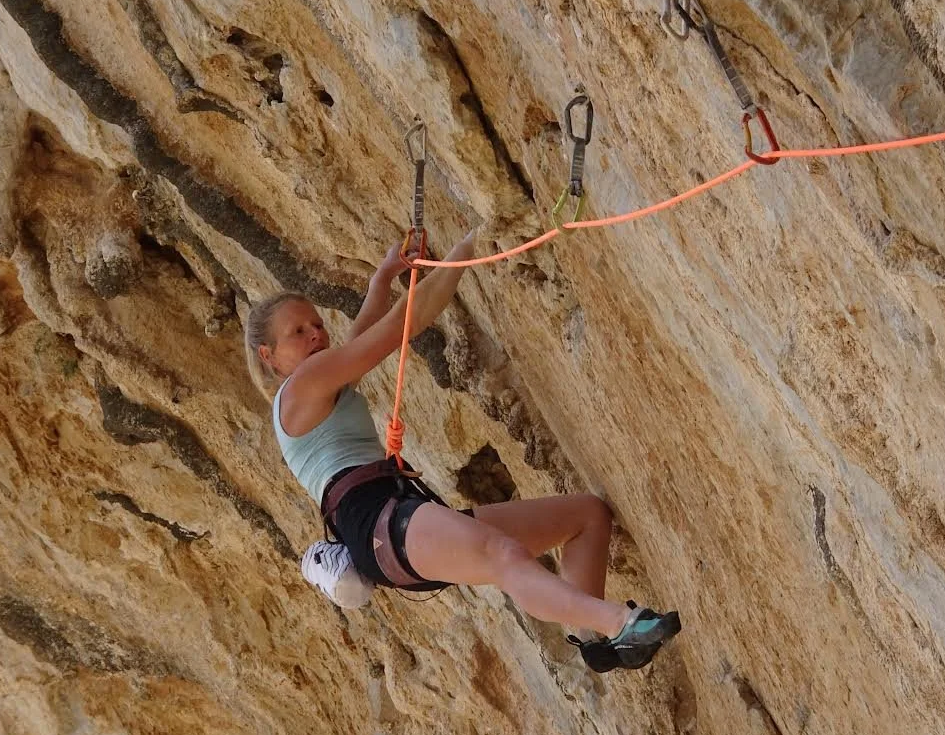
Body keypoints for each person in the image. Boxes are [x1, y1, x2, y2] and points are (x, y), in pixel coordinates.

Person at [243, 228, 681, 671]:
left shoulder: (317, 390)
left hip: (394, 525)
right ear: (269, 355)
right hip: (380, 523)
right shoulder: (302, 386)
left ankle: (591, 641)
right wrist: (470, 243)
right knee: (505, 556)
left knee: (587, 516)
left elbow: (363, 335)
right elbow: (401, 325)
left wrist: (383, 278)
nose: (315, 334)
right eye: (298, 332)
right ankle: (620, 623)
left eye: (317, 325)